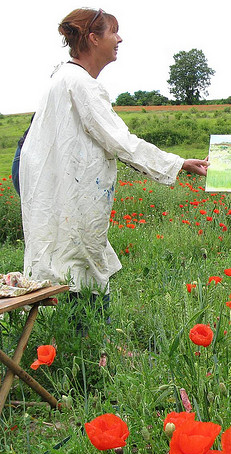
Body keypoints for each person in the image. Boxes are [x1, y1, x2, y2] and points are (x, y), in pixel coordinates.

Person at [19, 8, 209, 309]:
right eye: (113, 32)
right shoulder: (80, 84)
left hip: (61, 190)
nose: (119, 39)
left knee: (70, 259)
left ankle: (78, 330)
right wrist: (178, 164)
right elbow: (122, 142)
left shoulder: (64, 77)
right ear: (93, 39)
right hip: (71, 195)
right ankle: (89, 334)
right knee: (82, 265)